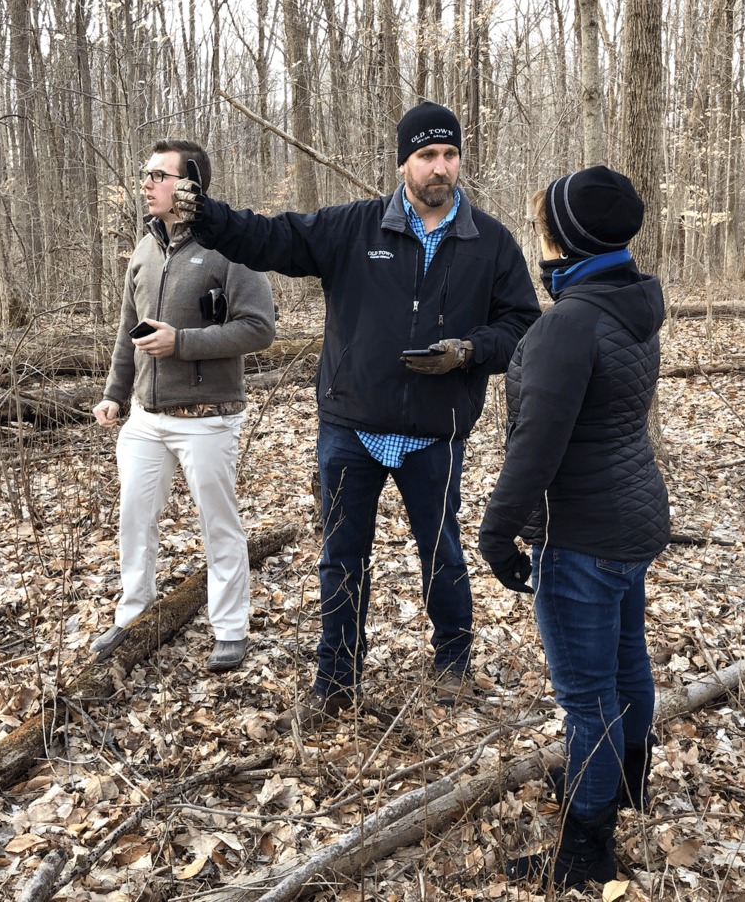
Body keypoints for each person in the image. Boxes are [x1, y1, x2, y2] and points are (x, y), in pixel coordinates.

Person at [172, 102, 541, 731]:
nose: (439, 168)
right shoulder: (355, 228)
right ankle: (335, 678)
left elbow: (522, 327)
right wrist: (207, 215)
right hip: (352, 429)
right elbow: (272, 238)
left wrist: (470, 351)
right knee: (342, 555)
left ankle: (453, 661)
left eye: (449, 155)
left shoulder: (491, 244)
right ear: (402, 164)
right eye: (426, 156)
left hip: (435, 432)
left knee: (442, 552)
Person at [478, 166, 669, 890]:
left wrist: (497, 534)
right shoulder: (630, 300)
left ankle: (586, 846)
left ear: (568, 236)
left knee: (586, 695)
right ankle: (624, 782)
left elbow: (537, 444)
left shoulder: (570, 322)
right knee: (626, 663)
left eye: (545, 227)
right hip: (629, 516)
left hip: (583, 534)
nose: (540, 240)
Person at [92, 139, 276, 671]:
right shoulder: (145, 248)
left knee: (218, 523)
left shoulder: (231, 247)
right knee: (133, 519)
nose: (146, 183)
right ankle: (133, 617)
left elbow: (260, 329)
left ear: (190, 183)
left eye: (158, 175)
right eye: (144, 174)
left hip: (208, 418)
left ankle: (231, 628)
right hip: (146, 421)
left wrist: (184, 342)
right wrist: (113, 395)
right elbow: (128, 333)